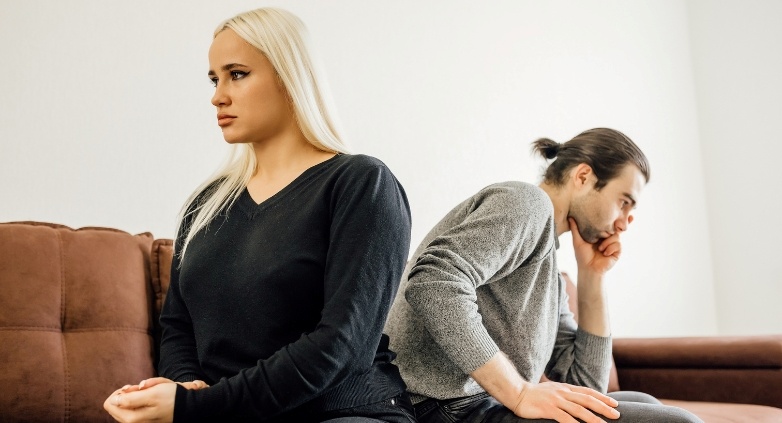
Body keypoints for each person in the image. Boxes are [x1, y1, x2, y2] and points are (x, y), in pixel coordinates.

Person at [103, 7, 415, 423]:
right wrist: (184, 385)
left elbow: (343, 345)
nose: (218, 95)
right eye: (214, 79)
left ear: (290, 77)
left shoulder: (360, 183)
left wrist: (196, 407)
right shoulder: (208, 202)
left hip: (340, 412)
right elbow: (178, 326)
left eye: (237, 73)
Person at [384, 128, 702, 423]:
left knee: (643, 400)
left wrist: (592, 276)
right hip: (442, 407)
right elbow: (434, 281)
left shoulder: (549, 270)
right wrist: (519, 392)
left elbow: (586, 387)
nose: (624, 223)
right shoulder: (526, 203)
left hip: (472, 405)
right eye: (624, 202)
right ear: (584, 176)